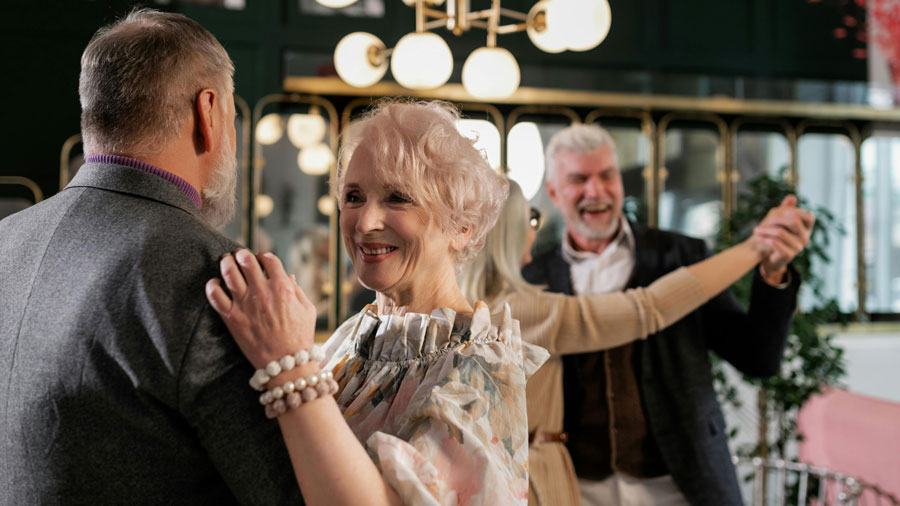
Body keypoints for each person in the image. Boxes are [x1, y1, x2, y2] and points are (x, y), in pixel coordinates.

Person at [0, 9, 302, 505]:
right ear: (208, 112)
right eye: (231, 116)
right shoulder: (214, 275)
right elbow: (290, 493)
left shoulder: (7, 239)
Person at [205, 100, 548, 506]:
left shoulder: (477, 368)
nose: (365, 223)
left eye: (398, 198)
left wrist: (289, 363)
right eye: (353, 196)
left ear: (461, 227)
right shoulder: (351, 338)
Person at [457, 180, 811, 505]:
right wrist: (754, 247)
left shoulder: (464, 307)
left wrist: (771, 271)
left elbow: (756, 354)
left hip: (677, 483)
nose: (595, 190)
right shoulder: (521, 305)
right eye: (531, 218)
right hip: (548, 481)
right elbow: (649, 307)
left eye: (606, 174)